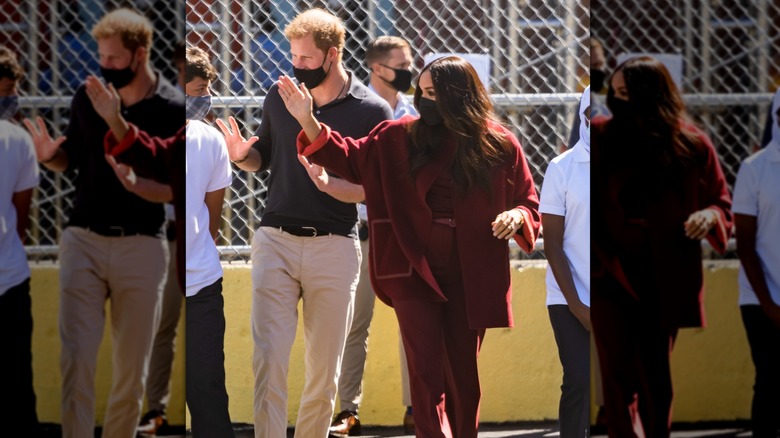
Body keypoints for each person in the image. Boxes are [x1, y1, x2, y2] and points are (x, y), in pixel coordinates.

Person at [277, 55, 541, 438]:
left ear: (458, 96)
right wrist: (307, 119)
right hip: (413, 266)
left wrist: (517, 216)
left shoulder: (499, 143)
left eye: (434, 93)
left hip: (472, 270)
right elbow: (350, 155)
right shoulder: (398, 136)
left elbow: (528, 200)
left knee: (463, 372)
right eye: (421, 91)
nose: (423, 100)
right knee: (424, 368)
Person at [216, 8, 393, 438]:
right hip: (275, 237)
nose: (296, 66)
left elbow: (378, 187)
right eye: (293, 56)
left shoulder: (373, 109)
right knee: (269, 359)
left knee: (325, 369)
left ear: (333, 55)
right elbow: (266, 156)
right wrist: (243, 157)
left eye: (307, 59)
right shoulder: (280, 95)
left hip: (335, 244)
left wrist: (337, 187)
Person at [22, 8, 184, 438]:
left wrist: (141, 188)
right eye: (102, 57)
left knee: (133, 368)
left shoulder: (171, 107)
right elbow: (69, 159)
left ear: (140, 54)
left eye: (113, 58)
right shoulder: (86, 97)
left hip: (143, 245)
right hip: (84, 239)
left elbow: (173, 186)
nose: (104, 66)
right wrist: (48, 156)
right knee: (76, 356)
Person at [87, 45, 234, 438]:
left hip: (197, 268)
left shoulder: (211, 139)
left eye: (206, 89)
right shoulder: (156, 131)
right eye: (196, 88)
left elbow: (212, 214)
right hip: (160, 253)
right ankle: (156, 413)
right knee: (157, 339)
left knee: (202, 370)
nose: (204, 98)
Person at [591, 56, 733, 438]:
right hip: (609, 270)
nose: (617, 101)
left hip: (664, 272)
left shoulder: (691, 144)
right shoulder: (600, 139)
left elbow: (721, 201)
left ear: (651, 95)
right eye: (614, 93)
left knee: (656, 374)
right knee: (617, 375)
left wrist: (709, 216)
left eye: (626, 94)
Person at [329, 35, 417, 436]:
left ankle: (419, 406)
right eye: (402, 63)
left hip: (402, 230)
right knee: (354, 323)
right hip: (363, 233)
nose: (409, 69)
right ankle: (347, 411)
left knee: (415, 319)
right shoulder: (359, 109)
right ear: (378, 68)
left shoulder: (415, 114)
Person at [137, 39, 185, 437]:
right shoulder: (166, 114)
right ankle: (156, 410)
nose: (183, 78)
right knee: (163, 326)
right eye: (180, 70)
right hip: (169, 235)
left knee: (201, 323)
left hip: (198, 236)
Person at [539, 86, 591, 438]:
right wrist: (578, 306)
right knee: (580, 380)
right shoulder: (562, 168)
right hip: (569, 296)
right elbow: (553, 244)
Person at [732, 89, 780, 438]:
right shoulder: (755, 169)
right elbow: (745, 245)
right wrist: (769, 305)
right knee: (770, 379)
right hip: (761, 298)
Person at [0, 46, 41, 436]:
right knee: (16, 379)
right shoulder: (17, 139)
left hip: (10, 275)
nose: (11, 96)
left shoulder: (18, 139)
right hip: (11, 275)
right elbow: (21, 215)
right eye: (7, 88)